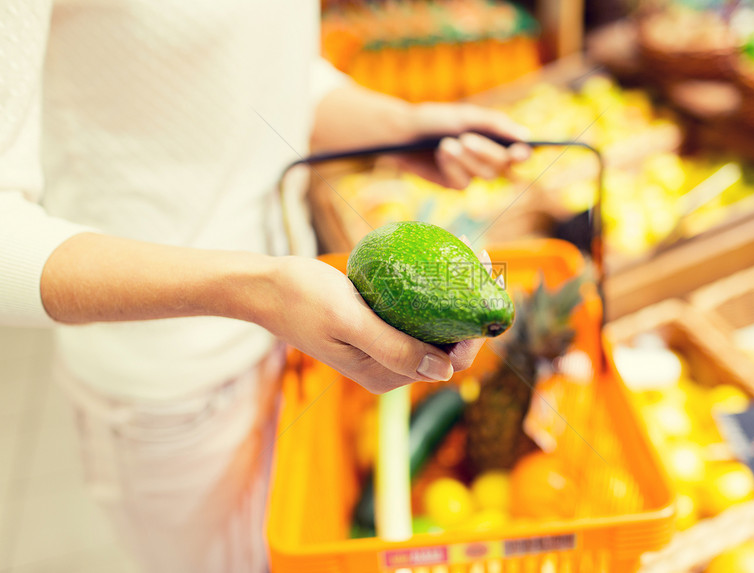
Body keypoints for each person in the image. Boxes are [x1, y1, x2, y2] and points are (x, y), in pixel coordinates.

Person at [0, 1, 531, 572]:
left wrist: (396, 127)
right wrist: (255, 290)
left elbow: (261, 75)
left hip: (288, 339)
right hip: (174, 388)